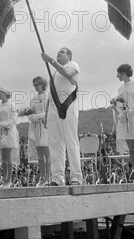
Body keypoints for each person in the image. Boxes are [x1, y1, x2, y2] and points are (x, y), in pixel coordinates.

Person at [42, 47, 83, 186]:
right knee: (55, 143)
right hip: (54, 108)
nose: (59, 53)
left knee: (70, 140)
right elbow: (50, 95)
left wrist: (51, 60)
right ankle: (57, 177)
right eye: (57, 52)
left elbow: (66, 73)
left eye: (62, 52)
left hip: (68, 105)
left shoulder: (73, 65)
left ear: (69, 56)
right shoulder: (54, 73)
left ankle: (76, 176)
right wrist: (46, 114)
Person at [0, 87, 20, 188]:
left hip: (9, 131)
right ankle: (4, 178)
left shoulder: (11, 105)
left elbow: (14, 119)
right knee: (3, 157)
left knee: (8, 156)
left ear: (5, 94)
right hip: (0, 131)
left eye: (0, 93)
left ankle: (9, 179)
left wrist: (4, 124)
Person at [27, 76, 51, 187]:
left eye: (37, 85)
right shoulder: (33, 99)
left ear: (42, 84)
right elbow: (30, 115)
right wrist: (34, 117)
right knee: (40, 154)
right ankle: (42, 177)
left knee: (47, 153)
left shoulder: (48, 96)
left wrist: (37, 116)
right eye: (34, 85)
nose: (36, 87)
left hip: (46, 127)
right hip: (37, 127)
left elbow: (48, 113)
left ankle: (48, 177)